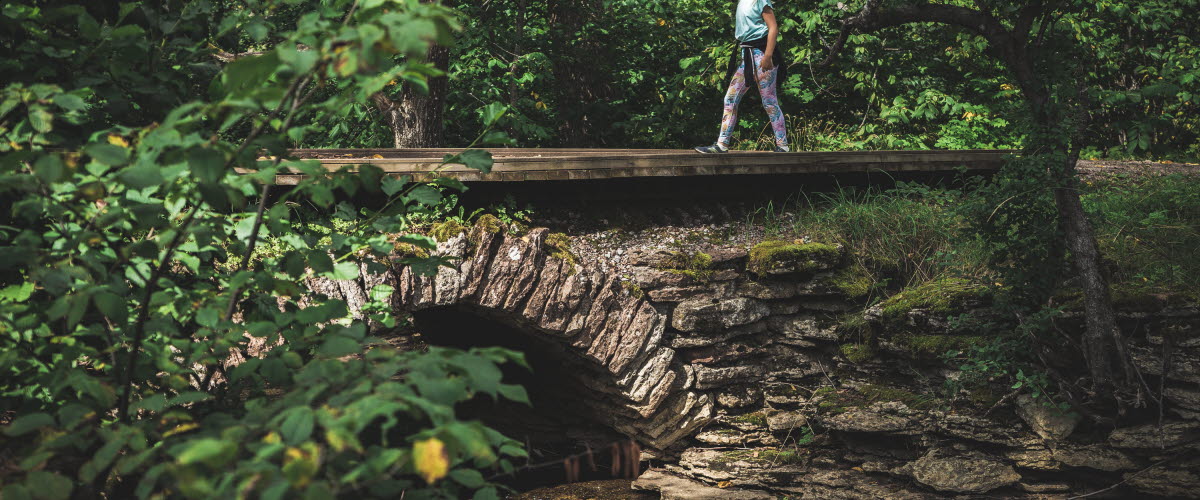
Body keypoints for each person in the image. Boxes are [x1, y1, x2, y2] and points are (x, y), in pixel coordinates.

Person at [695, 0, 789, 153]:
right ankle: (722, 145)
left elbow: (773, 28)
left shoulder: (761, 1)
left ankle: (782, 145)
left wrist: (768, 56)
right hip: (747, 57)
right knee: (730, 98)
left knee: (769, 101)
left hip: (762, 54)